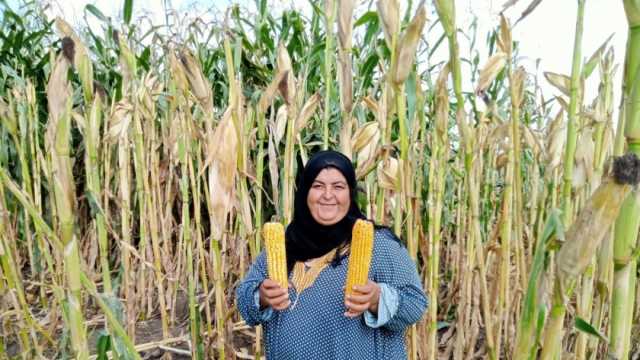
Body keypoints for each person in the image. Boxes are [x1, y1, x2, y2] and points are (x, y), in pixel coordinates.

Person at [236, 150, 427, 359]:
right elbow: (245, 304)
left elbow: (415, 304)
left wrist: (377, 298)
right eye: (318, 186)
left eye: (338, 187)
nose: (328, 195)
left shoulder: (379, 244)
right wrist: (262, 296)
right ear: (305, 192)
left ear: (350, 193)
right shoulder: (285, 244)